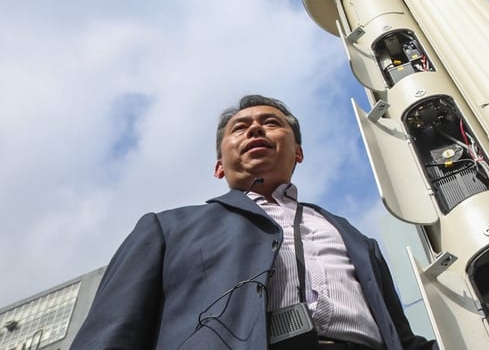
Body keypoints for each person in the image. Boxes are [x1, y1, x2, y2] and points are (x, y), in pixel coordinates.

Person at [72, 94, 435, 350]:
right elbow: (112, 330)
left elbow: (400, 335)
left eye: (270, 123)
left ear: (298, 152)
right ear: (219, 167)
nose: (255, 130)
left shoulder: (354, 237)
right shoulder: (168, 228)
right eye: (240, 128)